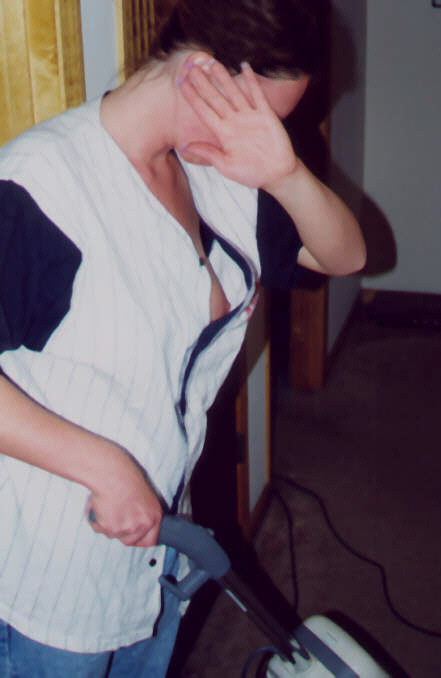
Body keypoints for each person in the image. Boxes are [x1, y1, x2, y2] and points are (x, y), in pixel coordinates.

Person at [0, 0, 366, 676]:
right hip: (53, 566)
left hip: (158, 550)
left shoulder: (216, 173)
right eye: (265, 120)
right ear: (203, 74)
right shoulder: (45, 183)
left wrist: (285, 173)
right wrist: (103, 465)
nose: (269, 141)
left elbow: (344, 255)